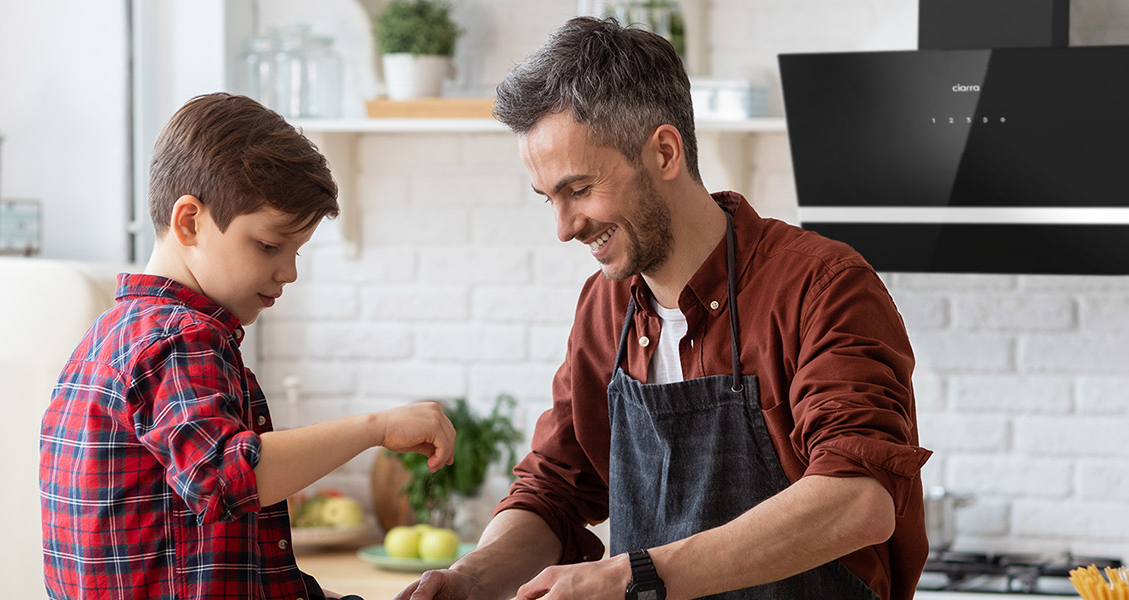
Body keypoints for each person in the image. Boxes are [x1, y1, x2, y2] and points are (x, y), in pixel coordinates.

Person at [397, 17, 931, 600]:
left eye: (579, 189)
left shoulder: (822, 285)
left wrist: (632, 576)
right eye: (548, 198)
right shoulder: (606, 305)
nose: (564, 227)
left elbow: (858, 499)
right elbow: (553, 492)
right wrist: (469, 580)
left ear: (665, 151)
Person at [39, 93, 457, 600]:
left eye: (296, 250)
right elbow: (223, 476)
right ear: (189, 222)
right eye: (268, 245)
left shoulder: (108, 335)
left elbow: (220, 562)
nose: (290, 272)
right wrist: (377, 427)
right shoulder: (182, 338)